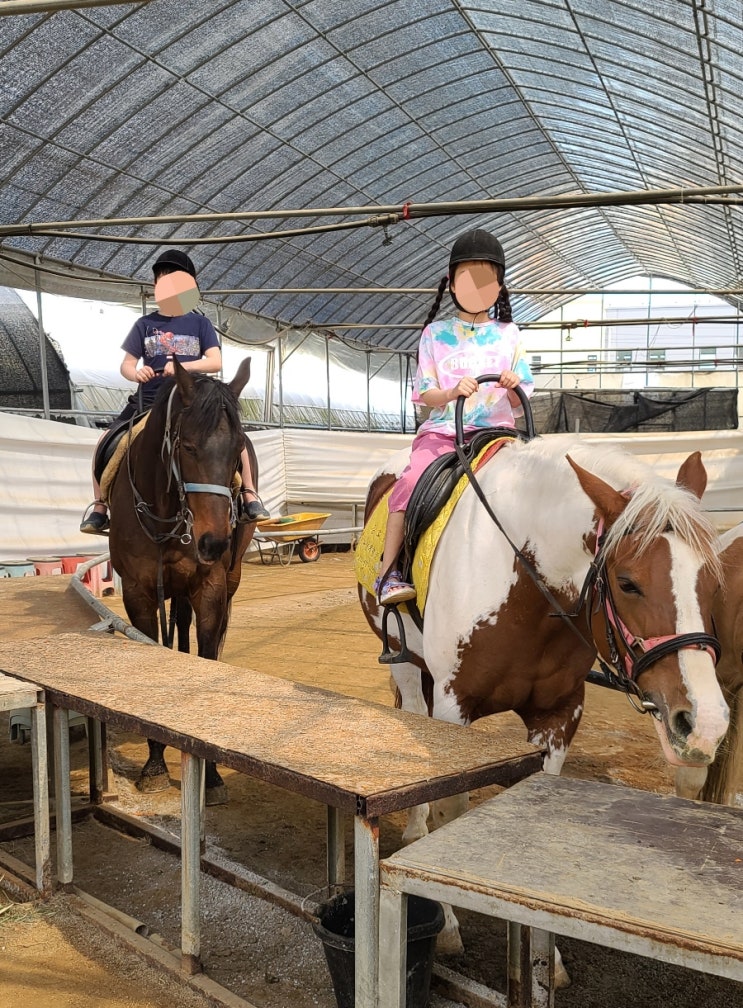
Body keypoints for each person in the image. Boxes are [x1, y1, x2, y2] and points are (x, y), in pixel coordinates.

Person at [375, 227, 534, 605]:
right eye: (468, 278)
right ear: (451, 283)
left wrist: (512, 384)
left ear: (499, 286)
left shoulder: (509, 333)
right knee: (411, 480)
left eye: (485, 280)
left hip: (498, 435)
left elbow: (520, 399)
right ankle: (389, 571)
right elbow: (425, 393)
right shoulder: (435, 333)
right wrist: (451, 393)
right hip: (445, 432)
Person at [80, 249, 270, 533]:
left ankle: (249, 494)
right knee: (105, 439)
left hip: (191, 399)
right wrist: (136, 372)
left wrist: (182, 367)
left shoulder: (201, 324)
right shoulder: (144, 325)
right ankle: (100, 506)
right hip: (149, 398)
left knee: (234, 437)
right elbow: (126, 365)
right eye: (163, 279)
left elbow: (215, 361)